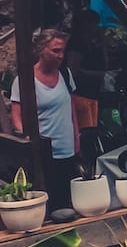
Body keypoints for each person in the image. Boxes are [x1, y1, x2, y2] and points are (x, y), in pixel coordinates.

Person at [6, 28, 80, 212]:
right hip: (44, 150)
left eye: (62, 51)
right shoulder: (25, 80)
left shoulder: (65, 74)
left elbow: (70, 107)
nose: (60, 56)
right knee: (50, 200)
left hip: (67, 147)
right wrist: (29, 140)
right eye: (55, 51)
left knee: (69, 198)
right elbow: (17, 114)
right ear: (41, 49)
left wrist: (77, 136)